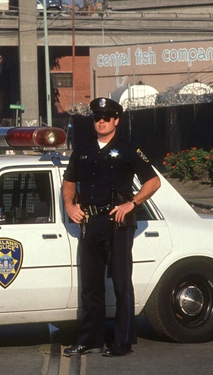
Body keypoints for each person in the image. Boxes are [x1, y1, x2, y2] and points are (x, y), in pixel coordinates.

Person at [62, 97, 161, 358]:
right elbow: (69, 180)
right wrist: (70, 206)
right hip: (90, 222)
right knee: (90, 286)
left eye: (107, 118)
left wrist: (132, 203)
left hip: (117, 223)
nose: (102, 122)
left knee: (121, 284)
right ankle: (90, 340)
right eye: (97, 118)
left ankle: (122, 341)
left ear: (116, 120)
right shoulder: (83, 149)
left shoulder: (128, 149)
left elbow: (153, 181)